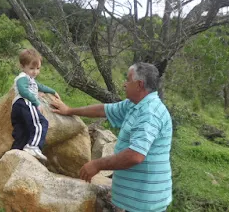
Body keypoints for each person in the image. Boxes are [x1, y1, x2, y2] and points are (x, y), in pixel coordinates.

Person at [51, 62, 172, 212]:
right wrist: (70, 110)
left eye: (128, 80)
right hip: (136, 201)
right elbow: (104, 110)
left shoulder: (149, 113)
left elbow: (135, 155)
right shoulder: (134, 105)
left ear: (139, 85)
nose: (124, 84)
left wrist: (97, 165)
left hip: (145, 204)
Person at [11, 48, 60, 162]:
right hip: (24, 103)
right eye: (31, 68)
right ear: (22, 67)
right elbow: (23, 91)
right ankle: (33, 146)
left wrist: (52, 91)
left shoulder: (31, 79)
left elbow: (41, 86)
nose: (35, 72)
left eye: (38, 68)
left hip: (18, 108)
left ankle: (15, 154)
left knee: (22, 133)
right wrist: (36, 102)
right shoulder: (23, 77)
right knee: (41, 123)